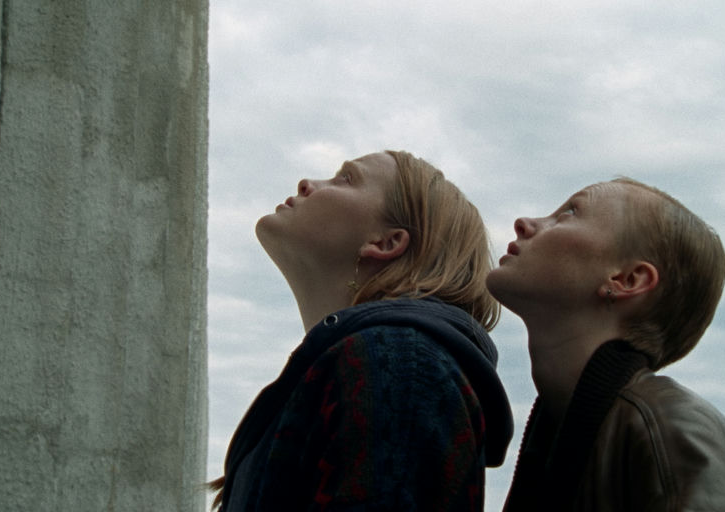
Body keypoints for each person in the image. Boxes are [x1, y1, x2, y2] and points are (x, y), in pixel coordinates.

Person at [210, 151, 514, 511]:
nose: (307, 184)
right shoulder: (372, 361)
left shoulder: (398, 363)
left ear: (386, 242)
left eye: (346, 178)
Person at [487, 178, 725, 511]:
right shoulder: (571, 430)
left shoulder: (668, 434)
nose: (524, 223)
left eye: (571, 212)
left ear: (627, 280)